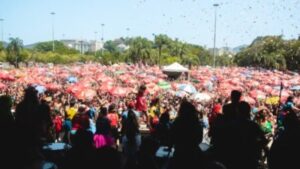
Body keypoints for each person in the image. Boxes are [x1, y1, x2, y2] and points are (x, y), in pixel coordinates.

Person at [168, 100, 204, 169]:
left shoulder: (178, 122)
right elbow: (199, 139)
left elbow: (171, 138)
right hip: (194, 154)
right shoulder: (196, 122)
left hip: (180, 153)